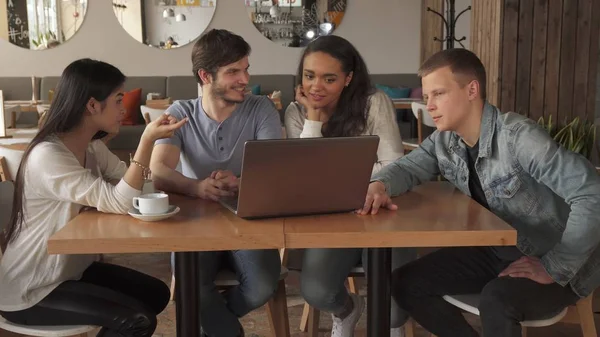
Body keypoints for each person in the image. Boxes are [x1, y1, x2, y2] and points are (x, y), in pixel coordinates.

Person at [360, 48, 600, 337]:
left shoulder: (518, 137)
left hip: (557, 261)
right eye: (426, 97)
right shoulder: (445, 140)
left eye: (438, 94)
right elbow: (408, 168)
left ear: (472, 89)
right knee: (404, 283)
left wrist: (554, 267)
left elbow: (591, 195)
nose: (430, 106)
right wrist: (379, 185)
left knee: (497, 300)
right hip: (498, 250)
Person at [0, 58, 187, 336]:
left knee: (157, 293)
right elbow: (121, 201)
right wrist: (147, 141)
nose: (124, 110)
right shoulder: (48, 156)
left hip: (70, 271)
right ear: (92, 105)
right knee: (139, 320)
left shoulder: (91, 146)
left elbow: (132, 187)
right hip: (33, 287)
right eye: (118, 101)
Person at [150, 29, 282, 337]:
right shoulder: (181, 112)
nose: (244, 79)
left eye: (246, 69)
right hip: (193, 224)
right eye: (233, 71)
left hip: (248, 221)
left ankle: (213, 322)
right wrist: (196, 188)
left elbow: (274, 168)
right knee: (190, 285)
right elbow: (159, 171)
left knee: (262, 286)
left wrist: (240, 182)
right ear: (205, 75)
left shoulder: (261, 108)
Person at [284, 35, 416, 337]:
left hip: (384, 213)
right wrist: (313, 120)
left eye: (329, 78)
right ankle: (347, 310)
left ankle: (392, 326)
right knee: (318, 292)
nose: (316, 86)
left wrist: (332, 176)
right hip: (333, 220)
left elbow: (394, 165)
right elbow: (304, 176)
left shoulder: (374, 103)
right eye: (309, 76)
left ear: (348, 78)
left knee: (395, 309)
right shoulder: (296, 112)